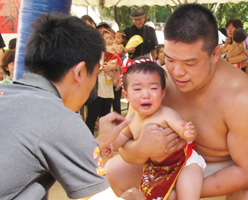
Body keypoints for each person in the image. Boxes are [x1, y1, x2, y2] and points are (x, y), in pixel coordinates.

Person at [104, 4, 248, 200]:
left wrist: (180, 193)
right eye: (171, 59)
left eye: (190, 63)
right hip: (168, 169)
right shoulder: (154, 84)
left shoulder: (242, 96)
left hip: (231, 179)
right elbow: (127, 144)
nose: (177, 72)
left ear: (215, 54)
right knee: (115, 169)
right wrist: (142, 149)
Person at [0, 13, 143, 200]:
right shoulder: (60, 119)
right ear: (80, 72)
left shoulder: (8, 93)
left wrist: (98, 142)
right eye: (96, 72)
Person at [103, 60, 206, 200]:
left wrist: (187, 132)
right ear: (126, 95)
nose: (146, 95)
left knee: (187, 194)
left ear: (163, 93)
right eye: (138, 89)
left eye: (153, 88)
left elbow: (182, 128)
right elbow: (123, 135)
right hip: (157, 168)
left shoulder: (166, 114)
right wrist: (112, 144)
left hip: (185, 162)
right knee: (157, 195)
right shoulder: (131, 118)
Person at [85, 27, 121, 134]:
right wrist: (104, 67)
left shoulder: (114, 54)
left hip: (108, 88)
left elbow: (118, 68)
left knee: (105, 116)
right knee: (92, 115)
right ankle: (88, 140)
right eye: (106, 38)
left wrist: (113, 67)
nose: (109, 41)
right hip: (97, 88)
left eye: (111, 39)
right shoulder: (96, 52)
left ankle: (104, 140)